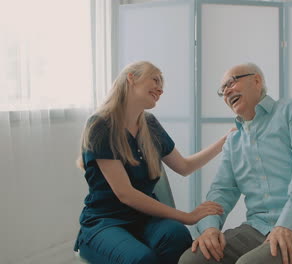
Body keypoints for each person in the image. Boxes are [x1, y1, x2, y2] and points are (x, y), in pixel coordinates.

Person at [74, 61, 233, 264]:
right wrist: (186, 216)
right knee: (141, 259)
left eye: (162, 84)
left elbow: (184, 167)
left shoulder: (150, 124)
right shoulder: (101, 125)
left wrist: (224, 142)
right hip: (105, 222)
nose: (161, 89)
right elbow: (126, 194)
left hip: (145, 220)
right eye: (155, 79)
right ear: (131, 78)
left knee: (178, 237)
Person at [179, 63, 292, 264]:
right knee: (192, 260)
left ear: (256, 80)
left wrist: (287, 223)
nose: (227, 91)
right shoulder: (233, 142)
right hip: (258, 227)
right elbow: (221, 192)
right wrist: (210, 228)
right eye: (222, 90)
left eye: (232, 82)